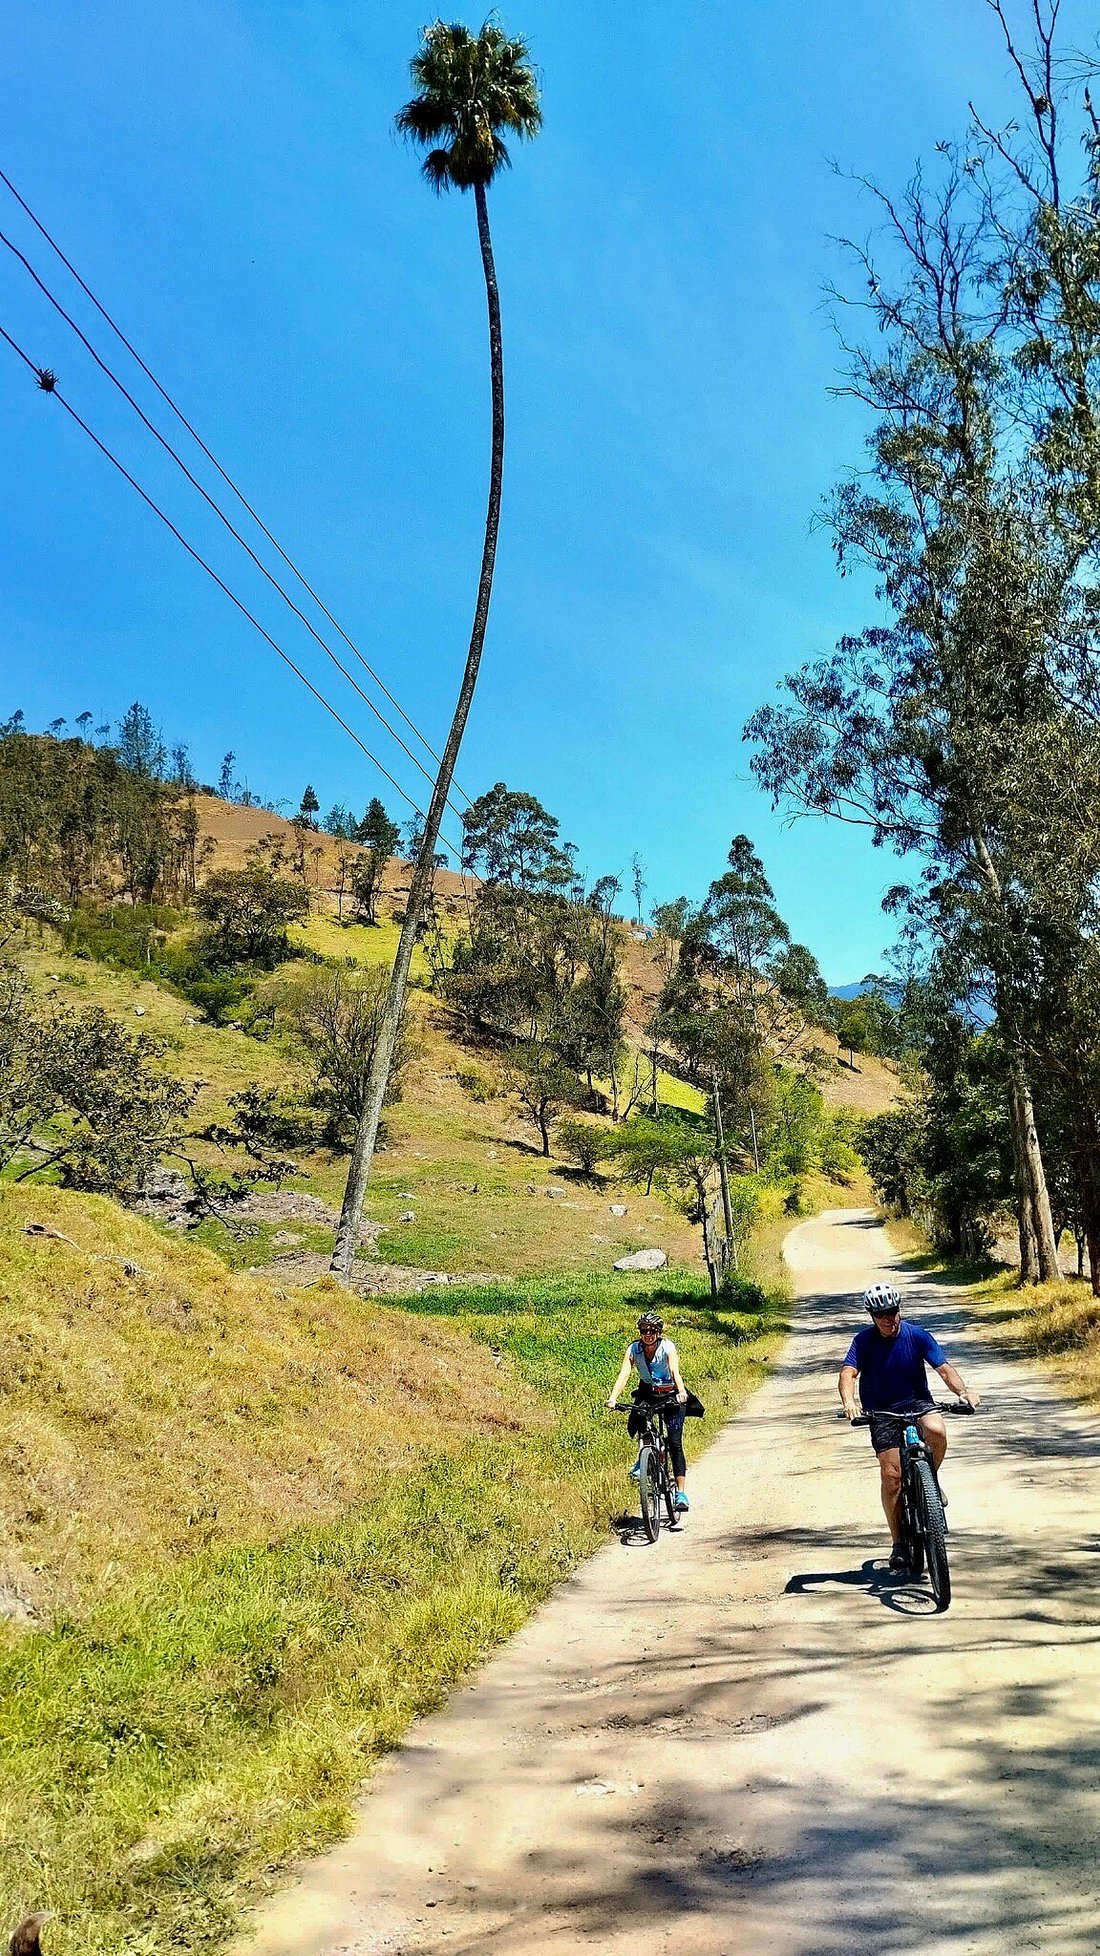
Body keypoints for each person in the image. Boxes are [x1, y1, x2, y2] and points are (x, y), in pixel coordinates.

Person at [838, 1280, 979, 1569]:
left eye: (892, 1311)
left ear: (899, 1309)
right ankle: (899, 1543)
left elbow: (944, 1369)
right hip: (881, 1411)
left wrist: (963, 1392)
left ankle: (931, 1479)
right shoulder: (863, 1341)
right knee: (892, 1477)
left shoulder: (917, 1335)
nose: (888, 1319)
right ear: (871, 1316)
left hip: (917, 1403)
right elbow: (848, 1374)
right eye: (881, 1315)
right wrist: (850, 1403)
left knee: (937, 1430)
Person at [607, 1310, 691, 1512]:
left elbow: (674, 1371)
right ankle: (645, 1459)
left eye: (653, 1330)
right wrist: (613, 1397)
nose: (648, 1334)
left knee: (675, 1441)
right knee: (640, 1422)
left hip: (671, 1395)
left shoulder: (667, 1347)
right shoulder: (634, 1349)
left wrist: (681, 1392)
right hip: (647, 1393)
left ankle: (680, 1493)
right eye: (644, 1330)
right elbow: (624, 1373)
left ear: (659, 1332)